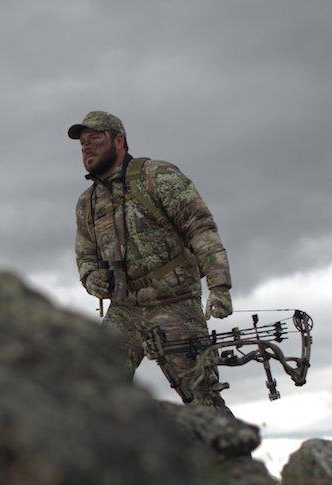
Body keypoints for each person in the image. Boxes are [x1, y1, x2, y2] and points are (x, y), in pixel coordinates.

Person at [70, 110, 233, 408]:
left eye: (95, 138)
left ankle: (228, 452)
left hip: (175, 303)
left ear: (119, 141)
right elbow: (85, 256)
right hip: (125, 308)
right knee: (96, 386)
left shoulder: (157, 177)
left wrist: (219, 286)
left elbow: (201, 228)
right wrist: (91, 278)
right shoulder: (87, 203)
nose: (86, 147)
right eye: (82, 143)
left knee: (202, 399)